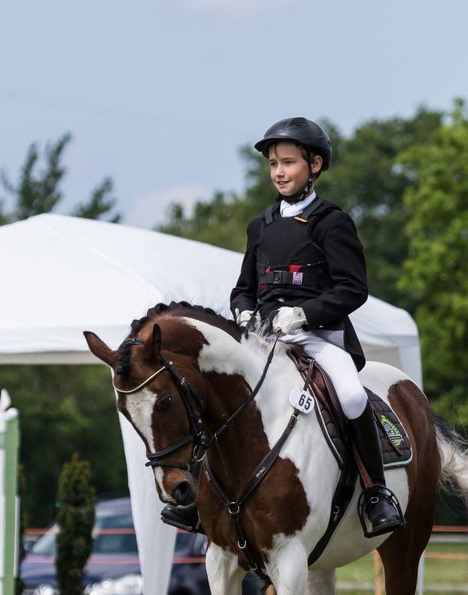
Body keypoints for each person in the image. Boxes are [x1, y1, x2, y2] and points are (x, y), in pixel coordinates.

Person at [167, 116, 403, 537]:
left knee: (350, 396)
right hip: (264, 340)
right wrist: (242, 312)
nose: (279, 172)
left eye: (288, 163)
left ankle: (376, 493)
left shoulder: (332, 222)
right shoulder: (260, 225)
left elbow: (353, 289)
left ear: (314, 165)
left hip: (318, 338)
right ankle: (202, 501)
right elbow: (243, 288)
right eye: (273, 163)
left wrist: (305, 313)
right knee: (218, 396)